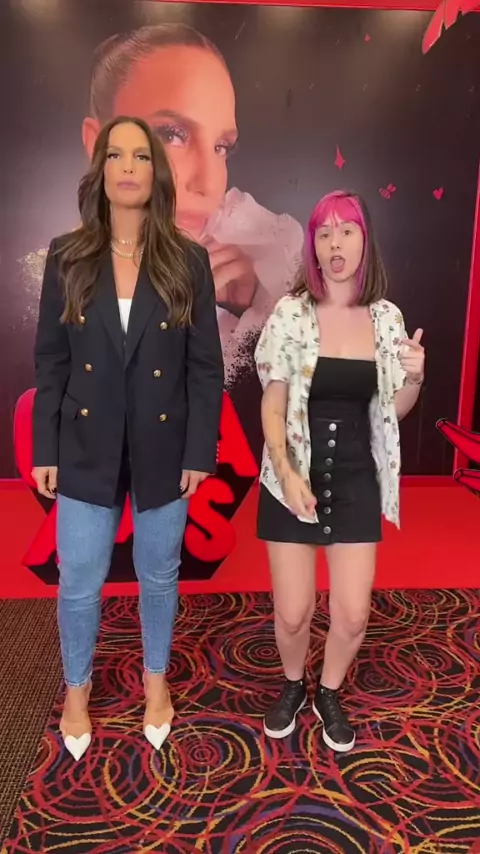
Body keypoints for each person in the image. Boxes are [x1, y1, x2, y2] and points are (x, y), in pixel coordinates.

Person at [32, 115, 224, 761]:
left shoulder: (187, 259)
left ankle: (155, 681)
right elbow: (51, 361)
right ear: (101, 169)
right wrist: (46, 447)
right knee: (79, 578)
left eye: (142, 155)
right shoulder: (67, 255)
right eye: (116, 155)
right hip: (85, 444)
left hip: (163, 445)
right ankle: (77, 689)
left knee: (158, 575)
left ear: (155, 172)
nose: (129, 167)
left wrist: (199, 450)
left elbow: (205, 367)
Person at [23, 23, 303, 387]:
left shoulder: (244, 273)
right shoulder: (60, 272)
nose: (208, 184)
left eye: (221, 147)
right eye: (172, 134)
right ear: (98, 145)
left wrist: (253, 310)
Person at [255, 190, 425, 752]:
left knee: (352, 615)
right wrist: (286, 472)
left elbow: (392, 410)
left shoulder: (386, 318)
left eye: (346, 230)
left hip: (355, 475)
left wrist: (414, 377)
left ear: (364, 240)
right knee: (293, 613)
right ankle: (292, 683)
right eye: (324, 232)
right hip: (292, 474)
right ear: (313, 244)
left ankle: (328, 690)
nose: (335, 242)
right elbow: (273, 403)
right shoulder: (290, 313)